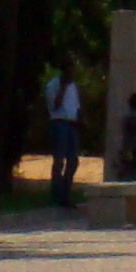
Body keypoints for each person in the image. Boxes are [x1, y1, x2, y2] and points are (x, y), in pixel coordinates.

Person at [43, 68, 83, 208]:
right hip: (59, 122)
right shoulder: (53, 85)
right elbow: (54, 106)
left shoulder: (73, 86)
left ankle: (65, 193)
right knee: (59, 160)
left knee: (73, 161)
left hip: (71, 124)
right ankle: (56, 194)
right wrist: (63, 87)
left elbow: (76, 107)